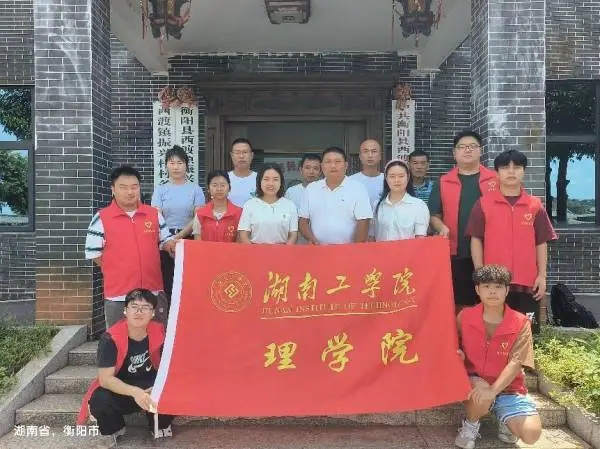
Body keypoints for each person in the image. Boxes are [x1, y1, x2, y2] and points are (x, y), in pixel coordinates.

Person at [466, 150, 557, 334]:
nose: (511, 171)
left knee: (526, 332)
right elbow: (476, 239)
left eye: (516, 167)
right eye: (505, 167)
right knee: (495, 332)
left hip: (527, 282)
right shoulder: (483, 204)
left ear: (524, 171)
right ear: (497, 172)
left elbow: (541, 242)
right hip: (494, 283)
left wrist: (542, 276)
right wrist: (481, 274)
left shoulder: (535, 205)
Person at [455, 265, 541, 449]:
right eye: (486, 286)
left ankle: (504, 419)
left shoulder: (520, 322)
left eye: (498, 286)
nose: (492, 291)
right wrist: (458, 353)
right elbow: (452, 343)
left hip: (509, 388)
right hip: (475, 380)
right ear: (477, 289)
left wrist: (494, 390)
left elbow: (516, 362)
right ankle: (471, 424)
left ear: (507, 290)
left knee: (531, 434)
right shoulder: (465, 316)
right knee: (482, 392)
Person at [77, 289, 174, 440]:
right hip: (122, 389)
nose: (139, 312)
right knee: (100, 400)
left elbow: (171, 369)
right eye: (134, 306)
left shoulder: (161, 332)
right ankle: (115, 428)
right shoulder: (110, 339)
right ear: (125, 311)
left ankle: (160, 423)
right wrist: (135, 392)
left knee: (173, 388)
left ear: (153, 313)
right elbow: (105, 380)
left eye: (145, 307)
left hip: (151, 388)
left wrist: (158, 387)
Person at [85, 166, 174, 328]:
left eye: (134, 187)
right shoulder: (101, 218)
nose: (130, 192)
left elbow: (165, 241)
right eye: (123, 187)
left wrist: (172, 245)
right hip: (119, 296)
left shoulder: (154, 214)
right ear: (113, 190)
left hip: (153, 292)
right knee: (119, 341)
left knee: (156, 339)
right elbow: (93, 253)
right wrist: (115, 269)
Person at [428, 130, 498, 311]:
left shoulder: (495, 180)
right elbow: (434, 216)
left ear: (481, 150)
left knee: (491, 300)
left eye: (472, 146)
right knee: (460, 302)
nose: (468, 150)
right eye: (462, 147)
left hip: (492, 251)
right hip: (457, 252)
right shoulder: (443, 182)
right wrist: (441, 227)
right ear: (454, 153)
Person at [151, 146, 205, 301]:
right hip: (164, 241)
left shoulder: (195, 189)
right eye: (172, 163)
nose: (176, 167)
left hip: (188, 240)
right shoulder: (160, 190)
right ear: (166, 165)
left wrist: (178, 237)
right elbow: (156, 217)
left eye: (180, 163)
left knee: (188, 282)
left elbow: (198, 218)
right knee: (167, 283)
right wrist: (168, 240)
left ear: (186, 165)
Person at [299, 147, 372, 245]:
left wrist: (355, 248)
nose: (333, 165)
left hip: (347, 249)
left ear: (346, 165)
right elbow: (303, 220)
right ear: (322, 166)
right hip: (318, 249)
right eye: (328, 162)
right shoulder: (311, 189)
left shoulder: (358, 188)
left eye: (337, 162)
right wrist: (313, 240)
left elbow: (363, 221)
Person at [238, 163, 298, 244]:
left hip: (282, 250)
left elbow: (293, 234)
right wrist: (252, 251)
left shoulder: (289, 205)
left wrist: (285, 250)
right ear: (259, 181)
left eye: (275, 179)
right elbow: (243, 234)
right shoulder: (250, 205)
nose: (271, 183)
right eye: (266, 179)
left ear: (281, 182)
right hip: (255, 250)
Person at [372, 160, 430, 241]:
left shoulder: (419, 206)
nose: (397, 180)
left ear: (408, 177)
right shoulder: (378, 205)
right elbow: (372, 237)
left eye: (401, 176)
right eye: (392, 176)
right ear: (386, 178)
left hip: (409, 249)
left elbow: (420, 239)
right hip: (381, 249)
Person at [192, 170, 243, 242]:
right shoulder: (200, 213)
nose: (219, 189)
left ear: (229, 188)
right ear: (208, 189)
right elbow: (197, 243)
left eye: (223, 185)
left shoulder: (239, 213)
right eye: (214, 185)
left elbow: (240, 244)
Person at [349, 138, 384, 205]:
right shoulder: (350, 181)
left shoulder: (388, 180)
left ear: (380, 156)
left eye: (374, 151)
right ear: (360, 156)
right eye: (366, 151)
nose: (370, 155)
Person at [228, 137, 257, 207]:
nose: (241, 156)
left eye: (245, 152)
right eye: (237, 152)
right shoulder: (224, 179)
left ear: (252, 155)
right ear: (231, 155)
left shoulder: (261, 179)